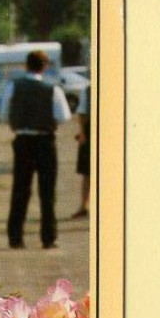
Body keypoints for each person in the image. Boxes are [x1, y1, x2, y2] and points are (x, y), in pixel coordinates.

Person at [0, 49, 71, 249]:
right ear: (45, 66)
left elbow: (4, 114)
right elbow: (64, 116)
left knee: (20, 189)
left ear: (26, 65)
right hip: (45, 142)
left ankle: (15, 237)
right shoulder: (52, 89)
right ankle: (49, 237)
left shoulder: (14, 86)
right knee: (47, 192)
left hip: (23, 141)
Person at [72, 81, 90, 218]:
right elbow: (82, 113)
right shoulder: (88, 90)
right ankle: (84, 205)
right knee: (87, 172)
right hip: (91, 132)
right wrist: (83, 133)